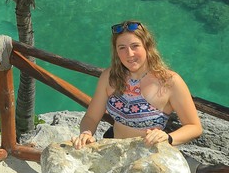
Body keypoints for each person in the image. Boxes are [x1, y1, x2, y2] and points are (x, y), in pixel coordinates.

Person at [73, 20, 203, 149]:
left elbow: (194, 127)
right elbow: (91, 117)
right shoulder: (110, 76)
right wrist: (86, 133)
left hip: (147, 155)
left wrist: (168, 138)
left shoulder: (170, 81)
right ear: (116, 52)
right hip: (113, 147)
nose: (129, 54)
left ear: (147, 46)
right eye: (122, 48)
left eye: (135, 46)